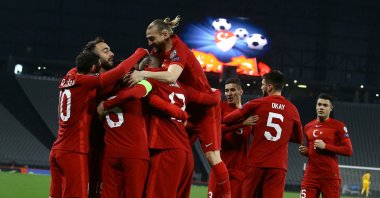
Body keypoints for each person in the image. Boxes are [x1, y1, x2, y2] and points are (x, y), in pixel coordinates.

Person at [127, 16, 232, 197]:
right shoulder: (158, 52)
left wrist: (141, 74)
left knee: (212, 157)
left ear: (166, 35)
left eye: (152, 38)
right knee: (181, 152)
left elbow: (171, 77)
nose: (149, 42)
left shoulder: (179, 50)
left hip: (205, 108)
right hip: (187, 105)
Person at [49, 48, 148, 198]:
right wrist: (141, 52)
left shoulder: (68, 78)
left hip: (57, 149)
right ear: (94, 68)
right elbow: (120, 71)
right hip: (74, 150)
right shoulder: (85, 83)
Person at [223, 70, 303, 198]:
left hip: (256, 164)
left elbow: (227, 119)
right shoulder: (292, 109)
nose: (261, 87)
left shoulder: (258, 103)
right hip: (278, 166)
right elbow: (299, 138)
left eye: (263, 84)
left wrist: (247, 123)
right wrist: (282, 136)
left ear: (269, 87)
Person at [208, 77, 258, 198]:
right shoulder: (221, 108)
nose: (229, 94)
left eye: (232, 90)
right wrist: (241, 124)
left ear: (241, 91)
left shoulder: (249, 113)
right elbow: (217, 129)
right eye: (226, 91)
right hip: (219, 167)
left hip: (239, 172)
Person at [299, 93, 353, 198]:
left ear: (331, 108)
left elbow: (348, 150)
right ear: (316, 106)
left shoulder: (339, 126)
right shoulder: (308, 127)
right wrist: (306, 152)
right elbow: (313, 151)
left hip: (330, 177)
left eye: (325, 105)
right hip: (310, 176)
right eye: (319, 104)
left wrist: (326, 146)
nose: (321, 107)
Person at [82, 37, 116, 198]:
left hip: (111, 155)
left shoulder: (117, 82)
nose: (112, 54)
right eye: (106, 51)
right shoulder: (86, 84)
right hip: (89, 154)